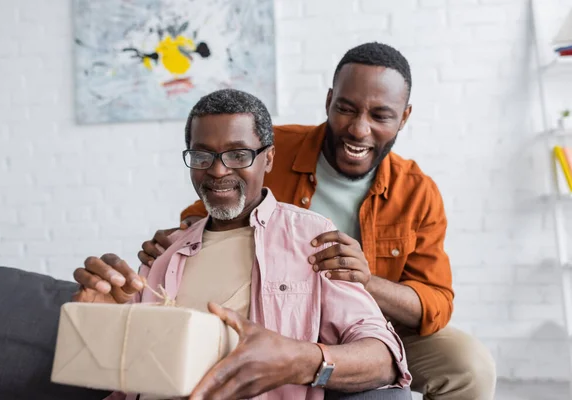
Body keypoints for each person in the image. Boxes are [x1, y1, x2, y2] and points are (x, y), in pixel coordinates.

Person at [139, 43, 496, 400]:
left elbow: (435, 302)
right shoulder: (272, 150)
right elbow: (216, 197)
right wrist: (176, 238)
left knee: (468, 366)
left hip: (377, 325)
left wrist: (365, 281)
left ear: (403, 117)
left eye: (380, 115)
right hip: (284, 317)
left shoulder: (417, 191)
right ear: (329, 102)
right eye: (346, 109)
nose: (359, 129)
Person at [74, 89, 412, 400]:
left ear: (268, 159)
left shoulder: (311, 238)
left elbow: (383, 358)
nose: (218, 171)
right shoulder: (164, 252)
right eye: (202, 156)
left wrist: (299, 361)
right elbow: (115, 372)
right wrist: (96, 320)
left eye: (238, 155)